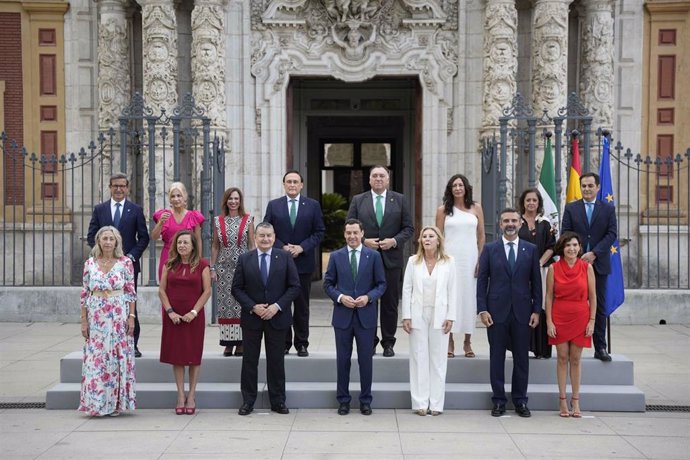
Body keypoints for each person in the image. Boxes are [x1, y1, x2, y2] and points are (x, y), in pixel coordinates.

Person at [477, 208, 542, 418]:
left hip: (523, 312)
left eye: (514, 220)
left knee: (522, 358)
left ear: (520, 223)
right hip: (496, 312)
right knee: (497, 357)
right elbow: (482, 281)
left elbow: (536, 283)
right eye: (506, 220)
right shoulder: (489, 249)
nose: (510, 224)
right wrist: (482, 309)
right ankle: (498, 401)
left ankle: (520, 400)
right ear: (500, 224)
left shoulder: (531, 250)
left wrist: (536, 310)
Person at [231, 222, 301, 416]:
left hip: (277, 318)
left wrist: (276, 307)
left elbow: (294, 287)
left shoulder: (285, 257)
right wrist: (253, 307)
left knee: (276, 361)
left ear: (274, 236)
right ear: (255, 237)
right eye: (261, 235)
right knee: (249, 361)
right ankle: (248, 401)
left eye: (269, 235)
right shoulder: (245, 259)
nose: (265, 239)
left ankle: (278, 401)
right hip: (252, 318)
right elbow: (236, 288)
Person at [347, 165, 414, 357]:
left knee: (389, 303)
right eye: (374, 176)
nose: (378, 178)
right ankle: (370, 341)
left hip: (391, 259)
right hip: (365, 259)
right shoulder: (359, 200)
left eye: (381, 176)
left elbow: (408, 228)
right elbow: (349, 224)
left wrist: (394, 241)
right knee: (367, 302)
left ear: (388, 179)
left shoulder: (399, 200)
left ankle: (388, 342)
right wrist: (363, 240)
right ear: (369, 180)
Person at [324, 219, 387, 416]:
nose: (352, 236)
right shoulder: (336, 256)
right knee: (343, 361)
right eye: (348, 233)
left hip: (365, 317)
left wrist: (369, 297)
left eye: (355, 233)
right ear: (344, 235)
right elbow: (328, 284)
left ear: (362, 234)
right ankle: (343, 400)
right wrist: (341, 298)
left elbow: (381, 284)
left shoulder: (374, 256)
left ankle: (365, 400)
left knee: (365, 361)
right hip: (342, 317)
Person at [87, 172, 150, 358]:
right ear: (110, 187)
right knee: (105, 303)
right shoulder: (100, 209)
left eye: (122, 186)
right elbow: (92, 236)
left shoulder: (136, 209)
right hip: (104, 266)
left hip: (128, 266)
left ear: (127, 188)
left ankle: (133, 344)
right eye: (115, 186)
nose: (119, 189)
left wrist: (131, 257)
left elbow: (143, 237)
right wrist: (101, 256)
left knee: (129, 303)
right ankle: (106, 343)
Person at [263, 171, 325, 357]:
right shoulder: (274, 206)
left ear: (301, 185)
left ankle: (301, 343)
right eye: (288, 182)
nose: (292, 185)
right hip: (279, 263)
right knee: (282, 304)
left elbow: (319, 231)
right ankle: (284, 343)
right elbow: (266, 230)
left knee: (301, 306)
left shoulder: (313, 206)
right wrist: (282, 247)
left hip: (303, 262)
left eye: (295, 182)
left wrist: (301, 247)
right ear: (284, 184)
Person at [79, 226, 137, 416]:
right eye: (104, 238)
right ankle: (96, 403)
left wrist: (131, 317)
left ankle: (115, 403)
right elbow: (84, 293)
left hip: (118, 314)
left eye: (111, 239)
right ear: (98, 241)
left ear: (117, 241)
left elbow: (131, 293)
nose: (108, 242)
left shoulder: (125, 262)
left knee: (115, 357)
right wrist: (84, 321)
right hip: (96, 317)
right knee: (98, 359)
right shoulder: (90, 263)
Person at [561, 172, 617, 362]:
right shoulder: (571, 208)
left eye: (590, 186)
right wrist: (577, 254)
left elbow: (611, 234)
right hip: (574, 264)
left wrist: (595, 253)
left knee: (598, 305)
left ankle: (600, 346)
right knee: (572, 305)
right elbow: (565, 233)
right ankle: (570, 344)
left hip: (599, 264)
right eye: (583, 186)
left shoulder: (608, 209)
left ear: (598, 187)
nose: (586, 189)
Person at [401, 226, 456, 416]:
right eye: (424, 236)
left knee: (438, 359)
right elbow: (406, 289)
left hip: (440, 314)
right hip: (418, 313)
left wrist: (451, 316)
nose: (427, 239)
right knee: (418, 357)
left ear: (438, 240)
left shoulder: (449, 262)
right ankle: (420, 402)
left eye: (431, 236)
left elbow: (452, 291)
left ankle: (437, 404)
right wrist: (406, 315)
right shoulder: (413, 261)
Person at [159, 230, 212, 415]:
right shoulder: (168, 264)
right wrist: (170, 312)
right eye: (179, 242)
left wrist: (194, 312)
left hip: (193, 317)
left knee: (193, 357)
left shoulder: (202, 265)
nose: (182, 245)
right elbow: (162, 291)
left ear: (193, 246)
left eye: (186, 243)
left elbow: (207, 291)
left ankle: (191, 396)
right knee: (177, 357)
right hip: (173, 317)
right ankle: (180, 395)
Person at [546, 232, 596, 418]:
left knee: (576, 358)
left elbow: (593, 297)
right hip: (559, 314)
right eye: (568, 245)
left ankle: (575, 400)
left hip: (581, 315)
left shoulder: (587, 268)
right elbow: (549, 296)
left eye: (575, 245)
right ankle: (562, 401)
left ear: (580, 247)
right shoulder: (553, 268)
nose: (572, 248)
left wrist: (592, 320)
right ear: (562, 248)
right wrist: (549, 321)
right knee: (562, 357)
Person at [435, 174, 485, 358]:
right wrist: (439, 260)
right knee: (449, 299)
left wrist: (480, 259)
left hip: (470, 259)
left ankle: (467, 341)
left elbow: (481, 236)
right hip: (449, 258)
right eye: (454, 185)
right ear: (450, 189)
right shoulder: (443, 210)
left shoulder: (476, 207)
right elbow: (438, 237)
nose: (457, 188)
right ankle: (449, 341)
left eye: (460, 185)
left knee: (468, 298)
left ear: (466, 188)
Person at [211, 187, 255, 357]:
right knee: (225, 307)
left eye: (236, 199)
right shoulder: (218, 221)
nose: (233, 202)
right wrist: (212, 267)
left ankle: (241, 343)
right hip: (223, 268)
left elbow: (251, 245)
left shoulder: (248, 220)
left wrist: (254, 267)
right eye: (230, 198)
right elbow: (215, 246)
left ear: (240, 201)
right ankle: (228, 343)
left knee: (241, 305)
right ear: (226, 201)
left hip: (243, 268)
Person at [518, 188, 556, 359]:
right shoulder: (517, 222)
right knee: (525, 305)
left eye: (534, 200)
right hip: (521, 271)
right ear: (523, 203)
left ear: (539, 203)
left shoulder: (545, 223)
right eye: (528, 200)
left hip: (542, 270)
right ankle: (524, 346)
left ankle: (542, 348)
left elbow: (551, 246)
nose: (531, 203)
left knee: (541, 305)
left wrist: (539, 262)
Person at [151, 182, 205, 280]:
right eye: (173, 196)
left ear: (185, 197)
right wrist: (160, 222)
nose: (176, 199)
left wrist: (198, 259)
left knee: (186, 288)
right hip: (168, 256)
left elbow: (198, 240)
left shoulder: (193, 216)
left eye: (179, 195)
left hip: (188, 257)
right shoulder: (164, 215)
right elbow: (154, 237)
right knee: (166, 288)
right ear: (170, 199)